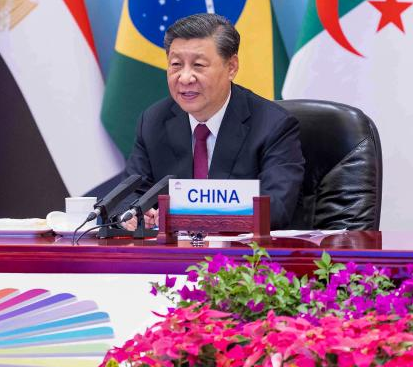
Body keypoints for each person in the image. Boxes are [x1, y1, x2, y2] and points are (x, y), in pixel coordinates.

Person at [123, 13, 304, 230]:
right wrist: (135, 215)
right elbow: (129, 196)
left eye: (198, 65)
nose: (185, 78)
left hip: (242, 251)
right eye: (176, 64)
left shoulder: (273, 125)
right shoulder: (154, 121)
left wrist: (185, 215)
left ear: (231, 67)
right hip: (173, 251)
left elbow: (275, 209)